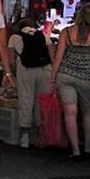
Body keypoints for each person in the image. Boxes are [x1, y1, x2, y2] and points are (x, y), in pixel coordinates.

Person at [50, 3, 90, 158]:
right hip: (87, 78)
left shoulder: (66, 32)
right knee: (88, 112)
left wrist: (52, 79)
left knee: (70, 112)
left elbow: (58, 59)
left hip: (65, 76)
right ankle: (87, 148)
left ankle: (75, 150)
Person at [7, 16, 54, 148]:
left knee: (26, 101)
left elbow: (11, 61)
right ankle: (40, 137)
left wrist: (12, 74)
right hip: (45, 70)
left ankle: (25, 137)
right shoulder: (44, 35)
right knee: (41, 102)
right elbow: (52, 58)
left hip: (25, 70)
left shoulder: (14, 38)